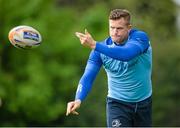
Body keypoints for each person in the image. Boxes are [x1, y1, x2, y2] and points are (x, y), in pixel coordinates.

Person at [66, 9, 152, 127]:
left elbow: (126, 54)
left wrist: (94, 45)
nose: (114, 32)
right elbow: (88, 76)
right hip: (117, 104)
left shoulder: (140, 38)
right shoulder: (99, 51)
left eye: (119, 28)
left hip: (144, 103)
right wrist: (78, 99)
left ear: (129, 27)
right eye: (111, 27)